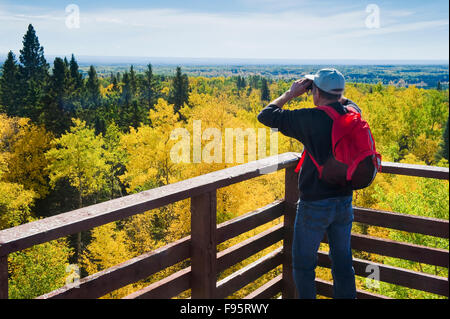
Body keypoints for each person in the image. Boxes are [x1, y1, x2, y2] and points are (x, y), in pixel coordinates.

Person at [257, 68, 359, 299]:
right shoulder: (352, 112)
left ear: (317, 93)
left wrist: (290, 94)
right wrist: (330, 93)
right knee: (343, 264)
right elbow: (347, 102)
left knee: (303, 265)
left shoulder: (309, 119)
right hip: (344, 201)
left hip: (315, 204)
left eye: (313, 89)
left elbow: (266, 115)